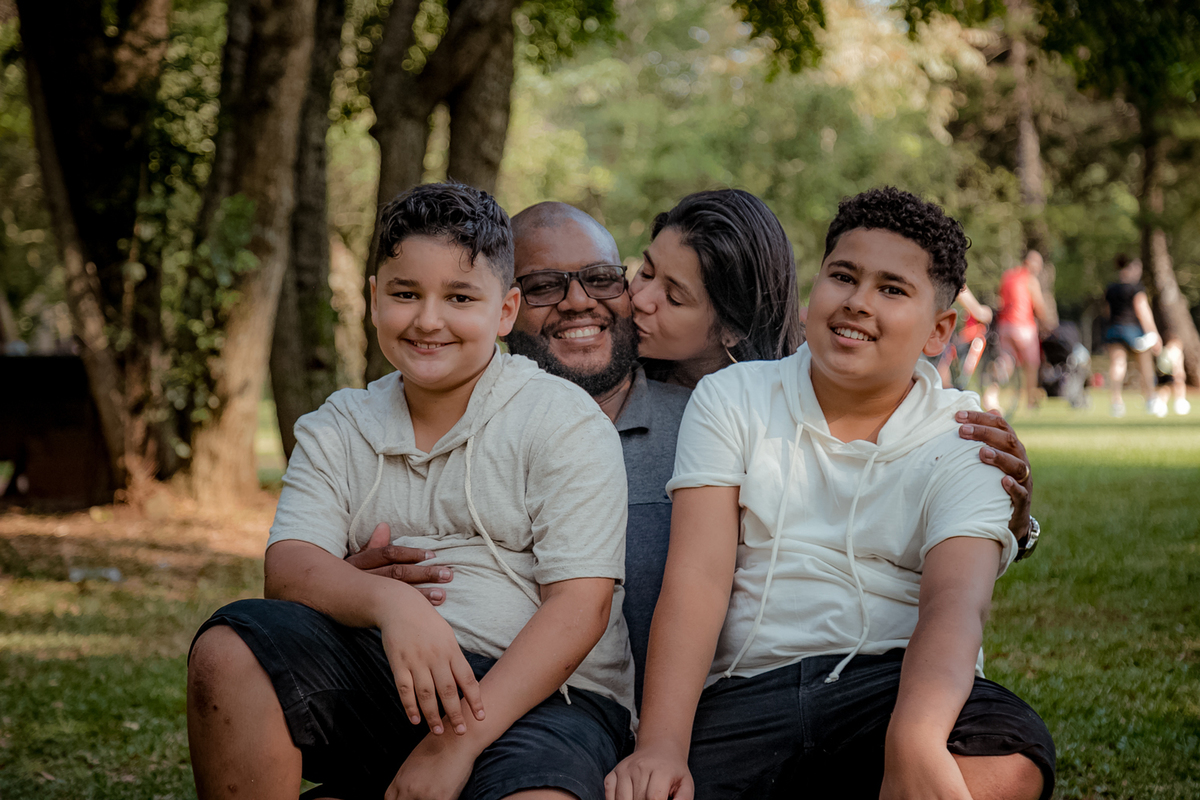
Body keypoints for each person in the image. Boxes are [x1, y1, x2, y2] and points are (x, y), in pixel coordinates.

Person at [350, 195, 1042, 716]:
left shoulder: (718, 420)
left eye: (606, 279)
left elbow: (863, 516)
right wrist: (356, 584)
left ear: (725, 332)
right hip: (441, 699)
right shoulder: (433, 418)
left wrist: (1007, 521)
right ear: (504, 306)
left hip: (620, 724)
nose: (593, 301)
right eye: (543, 286)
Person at [186, 183, 637, 800]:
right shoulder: (340, 425)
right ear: (374, 299)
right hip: (389, 675)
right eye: (405, 294)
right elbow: (289, 567)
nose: (428, 320)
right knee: (229, 650)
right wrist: (391, 604)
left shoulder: (560, 419)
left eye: (459, 297)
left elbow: (580, 607)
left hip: (547, 698)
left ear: (505, 311)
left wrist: (453, 746)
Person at [607, 187, 1054, 800]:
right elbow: (697, 579)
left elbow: (954, 603)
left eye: (892, 290)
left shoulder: (968, 436)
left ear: (938, 330)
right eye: (843, 276)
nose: (858, 302)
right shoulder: (733, 397)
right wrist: (661, 745)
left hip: (895, 681)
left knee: (1009, 760)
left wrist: (915, 739)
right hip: (747, 687)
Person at [1104, 255, 1165, 417]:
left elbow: (1107, 311)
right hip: (1132, 330)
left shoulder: (1111, 288)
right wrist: (1154, 333)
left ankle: (1116, 402)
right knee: (1145, 364)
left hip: (1114, 329)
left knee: (1118, 364)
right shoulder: (1136, 288)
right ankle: (1150, 399)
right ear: (1129, 268)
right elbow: (1142, 311)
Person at [994, 249, 1051, 411]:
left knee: (1006, 362)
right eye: (1038, 264)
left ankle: (991, 394)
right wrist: (1047, 323)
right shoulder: (1030, 279)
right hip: (1024, 326)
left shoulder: (1007, 276)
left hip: (1005, 326)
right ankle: (1030, 403)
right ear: (1029, 263)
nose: (1039, 268)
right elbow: (1039, 305)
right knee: (1031, 365)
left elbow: (1000, 300)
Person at [1155, 334, 1191, 416]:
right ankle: (1177, 402)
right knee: (1171, 387)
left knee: (1166, 387)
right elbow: (1176, 364)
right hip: (1170, 372)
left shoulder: (1166, 350)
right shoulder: (1175, 350)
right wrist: (1178, 372)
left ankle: (1168, 403)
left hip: (1165, 372)